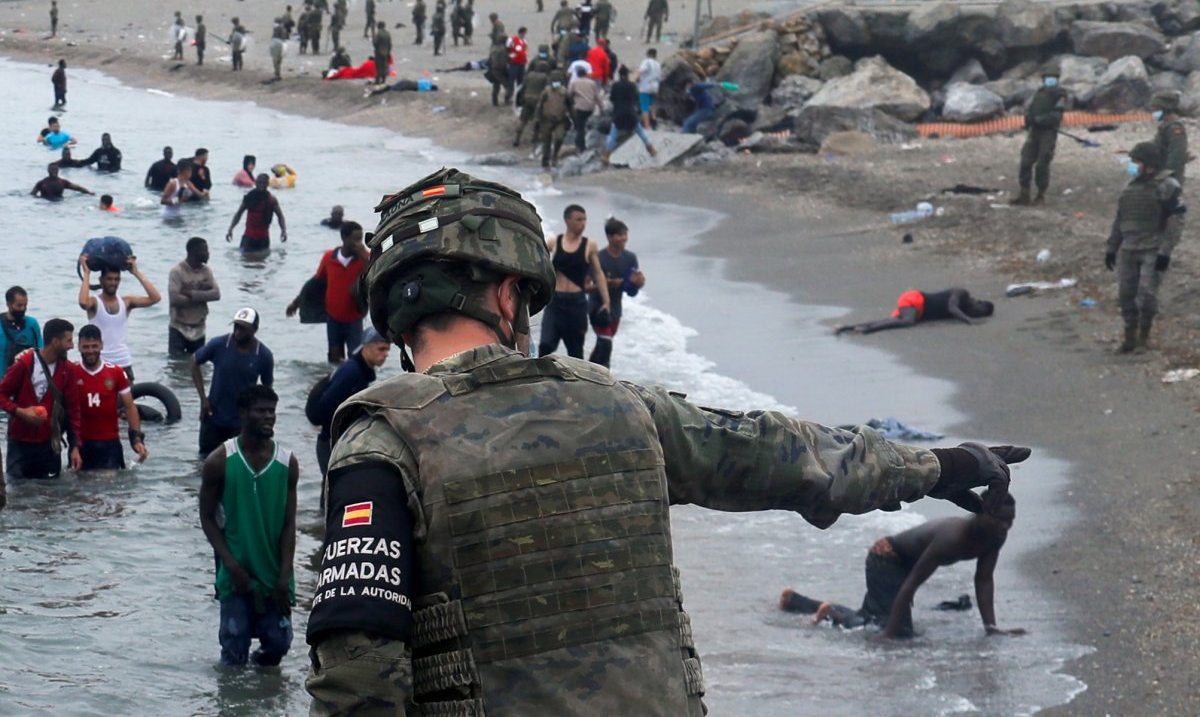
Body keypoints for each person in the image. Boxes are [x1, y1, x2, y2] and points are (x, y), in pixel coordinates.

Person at [302, 167, 1030, 713]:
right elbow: (790, 457)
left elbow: (358, 673)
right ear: (505, 294)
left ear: (396, 312)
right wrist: (938, 464)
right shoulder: (624, 407)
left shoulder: (381, 444)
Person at [779, 493, 1025, 639]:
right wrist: (889, 634)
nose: (1006, 526)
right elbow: (913, 582)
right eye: (1000, 519)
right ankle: (831, 614)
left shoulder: (995, 537)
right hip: (885, 559)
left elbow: (983, 580)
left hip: (904, 567)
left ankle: (798, 603)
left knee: (875, 618)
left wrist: (991, 626)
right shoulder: (953, 537)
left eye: (1011, 520)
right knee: (896, 632)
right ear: (981, 512)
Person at [199, 385, 297, 668]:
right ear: (243, 414)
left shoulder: (287, 462)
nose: (269, 417)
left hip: (274, 575)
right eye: (261, 411)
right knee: (233, 652)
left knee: (278, 646)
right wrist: (230, 565)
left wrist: (285, 576)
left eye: (272, 412)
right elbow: (207, 518)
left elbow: (290, 523)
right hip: (235, 575)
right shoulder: (219, 461)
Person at [1105, 141, 1186, 353]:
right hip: (1129, 249)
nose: (1132, 166)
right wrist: (1112, 248)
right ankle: (1129, 337)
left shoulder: (1168, 185)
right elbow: (1120, 220)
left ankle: (1144, 337)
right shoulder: (1130, 189)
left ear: (1149, 164)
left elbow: (1177, 220)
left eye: (1136, 162)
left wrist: (1165, 251)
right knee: (1126, 294)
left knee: (1146, 294)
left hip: (1153, 247)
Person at [0, 318, 82, 481]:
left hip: (49, 444)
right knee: (19, 492)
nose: (72, 346)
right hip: (19, 443)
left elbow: (74, 411)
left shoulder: (68, 370)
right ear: (55, 341)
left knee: (50, 496)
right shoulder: (24, 364)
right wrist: (21, 412)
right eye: (69, 341)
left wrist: (75, 447)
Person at [311, 328, 390, 486]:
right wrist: (337, 434)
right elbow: (327, 403)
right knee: (332, 487)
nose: (386, 354)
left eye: (388, 349)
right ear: (366, 348)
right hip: (329, 441)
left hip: (335, 440)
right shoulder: (352, 371)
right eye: (381, 349)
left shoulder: (361, 370)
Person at [191, 309, 274, 457]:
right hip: (213, 415)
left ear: (254, 329)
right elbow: (195, 361)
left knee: (237, 462)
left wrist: (262, 419)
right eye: (236, 326)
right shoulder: (219, 344)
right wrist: (203, 398)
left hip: (241, 421)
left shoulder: (263, 355)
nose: (237, 332)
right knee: (205, 460)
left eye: (243, 328)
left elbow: (267, 390)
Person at [287, 221, 369, 363]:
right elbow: (315, 284)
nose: (359, 243)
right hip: (333, 318)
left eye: (361, 239)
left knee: (356, 359)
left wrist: (364, 255)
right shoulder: (329, 258)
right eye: (356, 239)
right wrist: (296, 303)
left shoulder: (365, 258)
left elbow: (375, 273)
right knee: (334, 358)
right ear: (344, 238)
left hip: (355, 319)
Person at [540, 204, 611, 357]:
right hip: (555, 303)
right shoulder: (554, 242)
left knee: (576, 352)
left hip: (576, 304)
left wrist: (606, 301)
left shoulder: (589, 245)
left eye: (585, 220)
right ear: (567, 221)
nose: (583, 223)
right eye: (579, 219)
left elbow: (598, 274)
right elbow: (537, 261)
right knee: (546, 345)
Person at [74, 324, 147, 471]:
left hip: (109, 444)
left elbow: (130, 407)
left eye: (94, 346)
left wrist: (136, 439)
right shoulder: (71, 372)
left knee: (111, 490)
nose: (90, 351)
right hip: (82, 444)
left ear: (101, 345)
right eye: (86, 347)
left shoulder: (116, 372)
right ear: (79, 347)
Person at [78, 255, 161, 381]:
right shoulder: (95, 302)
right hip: (101, 363)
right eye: (109, 279)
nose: (113, 283)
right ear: (101, 281)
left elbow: (155, 298)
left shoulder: (126, 302)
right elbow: (83, 302)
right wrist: (87, 273)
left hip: (123, 362)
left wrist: (136, 273)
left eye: (117, 279)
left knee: (128, 399)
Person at [586, 217, 645, 368]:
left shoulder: (630, 258)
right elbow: (586, 287)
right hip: (597, 308)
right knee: (606, 345)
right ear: (610, 237)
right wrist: (608, 283)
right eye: (620, 235)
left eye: (625, 234)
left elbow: (630, 291)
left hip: (616, 311)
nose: (624, 238)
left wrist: (639, 283)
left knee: (603, 345)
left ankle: (588, 370)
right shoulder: (598, 257)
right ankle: (605, 381)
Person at [835, 288, 995, 335]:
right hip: (915, 299)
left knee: (893, 320)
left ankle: (848, 327)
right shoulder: (962, 294)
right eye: (980, 311)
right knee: (906, 321)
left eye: (980, 315)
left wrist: (967, 316)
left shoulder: (962, 309)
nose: (977, 313)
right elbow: (951, 306)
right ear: (979, 302)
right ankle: (867, 331)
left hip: (918, 312)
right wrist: (968, 320)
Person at [1015, 63, 1068, 205]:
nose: (1049, 80)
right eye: (1047, 77)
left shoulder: (1060, 94)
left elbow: (1057, 115)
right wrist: (1028, 121)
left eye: (1052, 77)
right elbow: (1031, 110)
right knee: (1025, 161)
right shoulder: (1040, 93)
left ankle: (1040, 195)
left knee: (1042, 164)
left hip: (1048, 133)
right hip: (1034, 132)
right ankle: (1024, 193)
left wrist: (1041, 120)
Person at [169, 238, 221, 356]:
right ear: (194, 251)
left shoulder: (206, 271)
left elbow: (216, 294)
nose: (208, 253)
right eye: (205, 250)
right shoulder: (177, 271)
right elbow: (175, 298)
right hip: (179, 327)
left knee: (198, 364)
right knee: (176, 365)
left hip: (199, 328)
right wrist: (203, 294)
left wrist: (191, 294)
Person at [602, 65, 656, 163]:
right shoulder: (632, 85)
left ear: (619, 75)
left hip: (618, 113)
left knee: (613, 135)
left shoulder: (615, 85)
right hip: (630, 112)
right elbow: (636, 99)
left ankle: (606, 155)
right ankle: (651, 149)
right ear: (627, 75)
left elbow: (612, 99)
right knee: (640, 132)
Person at [226, 174, 288, 254]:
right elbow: (239, 213)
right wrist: (231, 229)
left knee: (262, 263)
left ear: (267, 184)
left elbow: (280, 216)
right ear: (255, 183)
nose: (261, 186)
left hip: (263, 238)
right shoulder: (250, 197)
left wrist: (283, 231)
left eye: (263, 183)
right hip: (249, 237)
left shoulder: (271, 200)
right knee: (245, 262)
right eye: (259, 183)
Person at [1151, 90, 1188, 188]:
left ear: (1165, 108)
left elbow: (1177, 155)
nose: (1154, 112)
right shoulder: (1165, 126)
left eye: (1156, 109)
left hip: (1170, 179)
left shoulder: (1175, 128)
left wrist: (1165, 176)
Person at [0, 286, 42, 372]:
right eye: (19, 305)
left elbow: (41, 351)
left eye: (25, 305)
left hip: (24, 378)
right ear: (8, 304)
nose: (23, 309)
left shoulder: (32, 324)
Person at [535, 70, 571, 168]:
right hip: (546, 120)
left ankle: (555, 156)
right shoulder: (546, 92)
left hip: (560, 120)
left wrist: (574, 119)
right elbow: (539, 105)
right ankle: (545, 160)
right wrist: (537, 118)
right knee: (546, 141)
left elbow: (570, 106)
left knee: (559, 138)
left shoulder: (564, 92)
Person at [568, 64, 601, 153]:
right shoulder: (592, 83)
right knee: (585, 124)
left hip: (580, 108)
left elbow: (569, 95)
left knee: (580, 127)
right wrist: (601, 108)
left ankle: (580, 146)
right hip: (590, 107)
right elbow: (597, 96)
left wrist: (569, 106)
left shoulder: (574, 83)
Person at [636, 48, 662, 129]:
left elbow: (641, 71)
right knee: (653, 104)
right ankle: (653, 120)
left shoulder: (646, 61)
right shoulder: (658, 64)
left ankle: (647, 126)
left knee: (644, 107)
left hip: (645, 87)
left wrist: (636, 79)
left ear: (648, 54)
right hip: (655, 87)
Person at [487, 34, 511, 107]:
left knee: (496, 85)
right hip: (502, 69)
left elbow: (489, 60)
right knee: (508, 85)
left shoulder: (493, 48)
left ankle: (495, 102)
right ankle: (507, 99)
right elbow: (508, 60)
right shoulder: (505, 49)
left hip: (494, 69)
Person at [507, 25, 529, 91]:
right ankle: (509, 95)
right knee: (511, 79)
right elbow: (507, 48)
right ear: (521, 33)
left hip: (522, 63)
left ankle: (519, 94)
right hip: (514, 63)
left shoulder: (525, 41)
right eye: (525, 33)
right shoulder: (512, 39)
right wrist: (511, 56)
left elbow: (525, 50)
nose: (525, 35)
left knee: (521, 80)